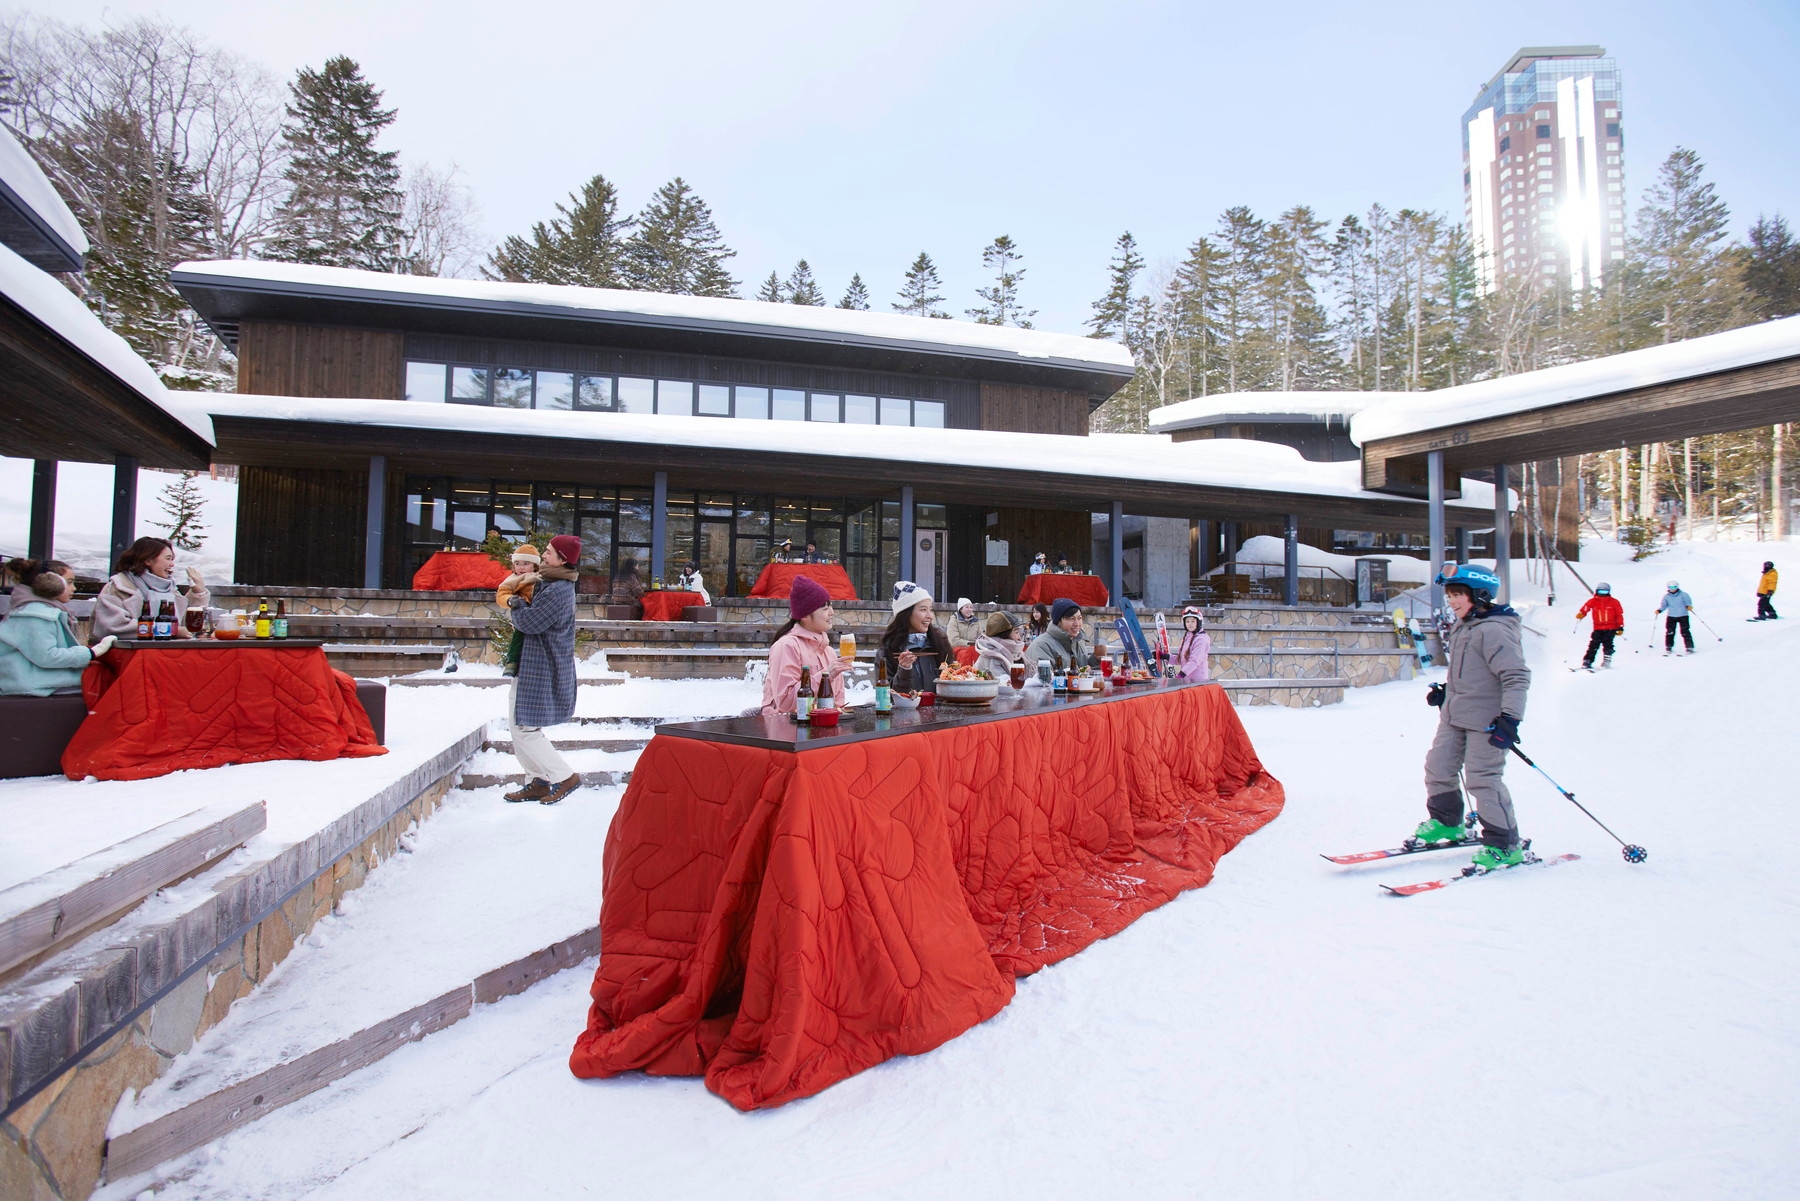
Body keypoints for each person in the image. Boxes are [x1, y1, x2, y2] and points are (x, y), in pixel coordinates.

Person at [1412, 563, 1531, 871]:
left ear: (1478, 595)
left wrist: (1510, 719)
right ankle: (1447, 822)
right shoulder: (1466, 625)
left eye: (1457, 595)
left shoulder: (1494, 629)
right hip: (1456, 714)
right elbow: (1474, 673)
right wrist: (1447, 692)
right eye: (1449, 595)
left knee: (1483, 780)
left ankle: (1505, 845)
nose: (1450, 601)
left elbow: (1515, 676)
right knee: (1438, 767)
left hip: (1488, 722)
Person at [503, 535, 582, 805]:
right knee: (517, 725)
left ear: (562, 559)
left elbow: (531, 623)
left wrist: (516, 606)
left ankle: (565, 776)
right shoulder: (547, 583)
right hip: (532, 664)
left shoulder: (559, 589)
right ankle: (537, 780)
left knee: (525, 727)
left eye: (548, 552)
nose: (543, 556)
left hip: (543, 667)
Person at [0, 561, 116, 695]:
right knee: (110, 681)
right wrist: (91, 653)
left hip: (35, 681)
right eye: (69, 582)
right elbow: (47, 656)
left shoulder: (39, 611)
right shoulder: (35, 615)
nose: (74, 588)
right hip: (33, 685)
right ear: (49, 584)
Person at [761, 574, 850, 717]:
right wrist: (826, 676)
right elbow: (786, 703)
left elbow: (838, 703)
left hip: (822, 730)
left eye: (831, 606)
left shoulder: (828, 651)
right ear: (805, 616)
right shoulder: (787, 646)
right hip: (785, 730)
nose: (832, 612)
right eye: (825, 608)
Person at [92, 537, 209, 640]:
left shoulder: (170, 590)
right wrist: (170, 630)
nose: (172, 564)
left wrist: (198, 593)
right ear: (148, 560)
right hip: (127, 657)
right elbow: (112, 627)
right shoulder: (117, 588)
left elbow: (186, 627)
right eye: (168, 558)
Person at [880, 581, 953, 696]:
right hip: (904, 713)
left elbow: (953, 681)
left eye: (931, 609)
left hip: (940, 712)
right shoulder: (888, 650)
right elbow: (885, 696)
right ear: (906, 613)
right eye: (923, 610)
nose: (930, 616)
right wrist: (904, 669)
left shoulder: (940, 643)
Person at [496, 544, 541, 678]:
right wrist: (510, 600)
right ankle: (512, 662)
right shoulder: (512, 579)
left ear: (534, 565)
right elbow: (501, 594)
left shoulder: (540, 577)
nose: (521, 567)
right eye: (517, 563)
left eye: (526, 563)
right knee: (518, 636)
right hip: (523, 612)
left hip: (539, 613)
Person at [1025, 598, 1101, 674]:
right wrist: (1074, 673)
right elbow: (1042, 679)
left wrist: (1095, 659)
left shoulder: (1078, 640)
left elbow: (1083, 668)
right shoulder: (1041, 645)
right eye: (1071, 618)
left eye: (1079, 618)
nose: (1077, 624)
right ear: (1058, 622)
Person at [1574, 583, 1624, 670]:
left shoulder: (1614, 602)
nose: (1602, 594)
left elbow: (1619, 615)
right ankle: (1587, 661)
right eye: (1601, 591)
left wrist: (1620, 627)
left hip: (1610, 628)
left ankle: (1607, 660)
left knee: (1608, 644)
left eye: (1605, 592)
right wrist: (1582, 613)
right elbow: (1586, 607)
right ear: (1597, 591)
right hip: (1598, 628)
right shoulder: (1593, 601)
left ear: (1608, 592)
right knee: (1594, 644)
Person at [973, 611, 1025, 678]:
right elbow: (1004, 685)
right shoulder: (992, 657)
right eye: (1016, 632)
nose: (1019, 638)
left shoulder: (1016, 654)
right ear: (1004, 635)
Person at [1656, 581, 1696, 655]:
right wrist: (1659, 610)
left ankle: (1689, 647)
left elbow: (1688, 602)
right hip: (1671, 616)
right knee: (1670, 632)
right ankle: (1669, 646)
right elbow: (1664, 605)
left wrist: (1689, 606)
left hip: (1683, 615)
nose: (1672, 589)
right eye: (1670, 587)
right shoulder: (1666, 596)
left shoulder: (1684, 595)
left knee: (1685, 631)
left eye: (1674, 587)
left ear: (1677, 587)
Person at [1171, 606, 1211, 680]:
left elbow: (1194, 661)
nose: (1190, 624)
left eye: (1193, 621)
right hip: (1188, 681)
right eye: (1187, 621)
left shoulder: (1201, 640)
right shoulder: (1188, 637)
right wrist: (1165, 657)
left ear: (1198, 622)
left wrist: (1181, 675)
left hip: (1198, 681)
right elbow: (1181, 659)